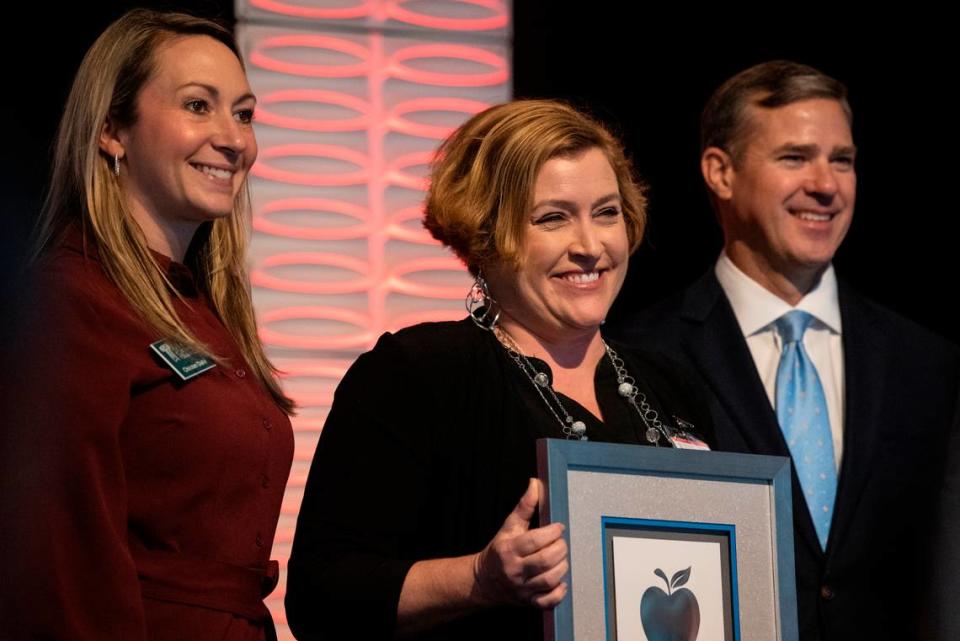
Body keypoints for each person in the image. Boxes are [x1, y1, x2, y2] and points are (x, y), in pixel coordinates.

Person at [284, 99, 713, 640]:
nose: (590, 246)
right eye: (552, 218)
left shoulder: (670, 384)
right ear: (486, 235)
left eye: (607, 212)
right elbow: (322, 598)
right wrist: (480, 579)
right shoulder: (416, 376)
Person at [610, 60, 960, 641]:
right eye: (795, 157)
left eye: (841, 160)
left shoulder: (927, 363)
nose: (826, 184)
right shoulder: (640, 355)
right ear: (720, 172)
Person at [0, 9, 294, 640]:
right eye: (198, 106)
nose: (233, 138)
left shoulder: (204, 310)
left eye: (244, 114)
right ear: (112, 130)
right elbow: (55, 555)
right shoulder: (71, 302)